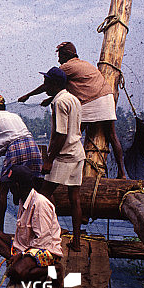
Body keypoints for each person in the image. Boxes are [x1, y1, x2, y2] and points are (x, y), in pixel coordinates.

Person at [18, 42, 127, 178]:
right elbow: (71, 86)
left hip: (92, 101)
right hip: (107, 98)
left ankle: (57, 167)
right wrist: (49, 99)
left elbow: (49, 84)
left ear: (66, 55)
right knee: (112, 136)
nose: (58, 60)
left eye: (60, 56)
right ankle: (122, 173)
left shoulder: (67, 67)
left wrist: (28, 95)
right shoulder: (84, 64)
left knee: (70, 136)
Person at [0, 165, 63, 282]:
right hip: (26, 246)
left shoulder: (40, 204)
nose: (10, 191)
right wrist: (20, 254)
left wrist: (21, 255)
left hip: (45, 250)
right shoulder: (23, 199)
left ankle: (55, 269)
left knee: (16, 272)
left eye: (11, 186)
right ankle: (21, 263)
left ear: (17, 186)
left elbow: (43, 240)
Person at [0, 93, 43, 231]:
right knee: (37, 188)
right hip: (33, 146)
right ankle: (43, 226)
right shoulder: (15, 116)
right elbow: (8, 140)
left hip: (16, 148)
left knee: (3, 189)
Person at [37, 67, 85, 251]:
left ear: (55, 84)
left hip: (65, 156)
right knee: (75, 198)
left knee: (42, 195)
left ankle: (46, 236)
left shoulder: (59, 102)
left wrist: (49, 160)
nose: (44, 86)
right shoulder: (72, 98)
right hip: (78, 153)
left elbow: (61, 134)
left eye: (47, 82)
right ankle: (77, 242)